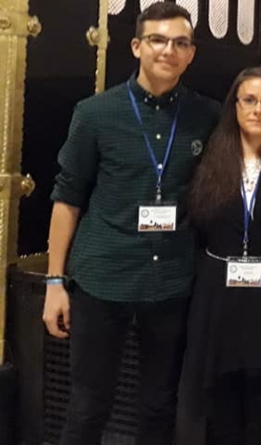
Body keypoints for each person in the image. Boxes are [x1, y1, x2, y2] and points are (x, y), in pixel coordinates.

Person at [40, 3, 219, 444]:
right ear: (137, 46)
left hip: (173, 281)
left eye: (180, 42)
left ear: (191, 53)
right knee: (89, 404)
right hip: (104, 277)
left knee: (159, 405)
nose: (168, 50)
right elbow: (67, 199)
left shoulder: (208, 117)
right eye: (158, 40)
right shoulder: (95, 114)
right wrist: (55, 282)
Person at [176, 67, 261, 444]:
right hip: (218, 298)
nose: (258, 110)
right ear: (234, 105)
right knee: (219, 407)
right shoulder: (208, 161)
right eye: (249, 100)